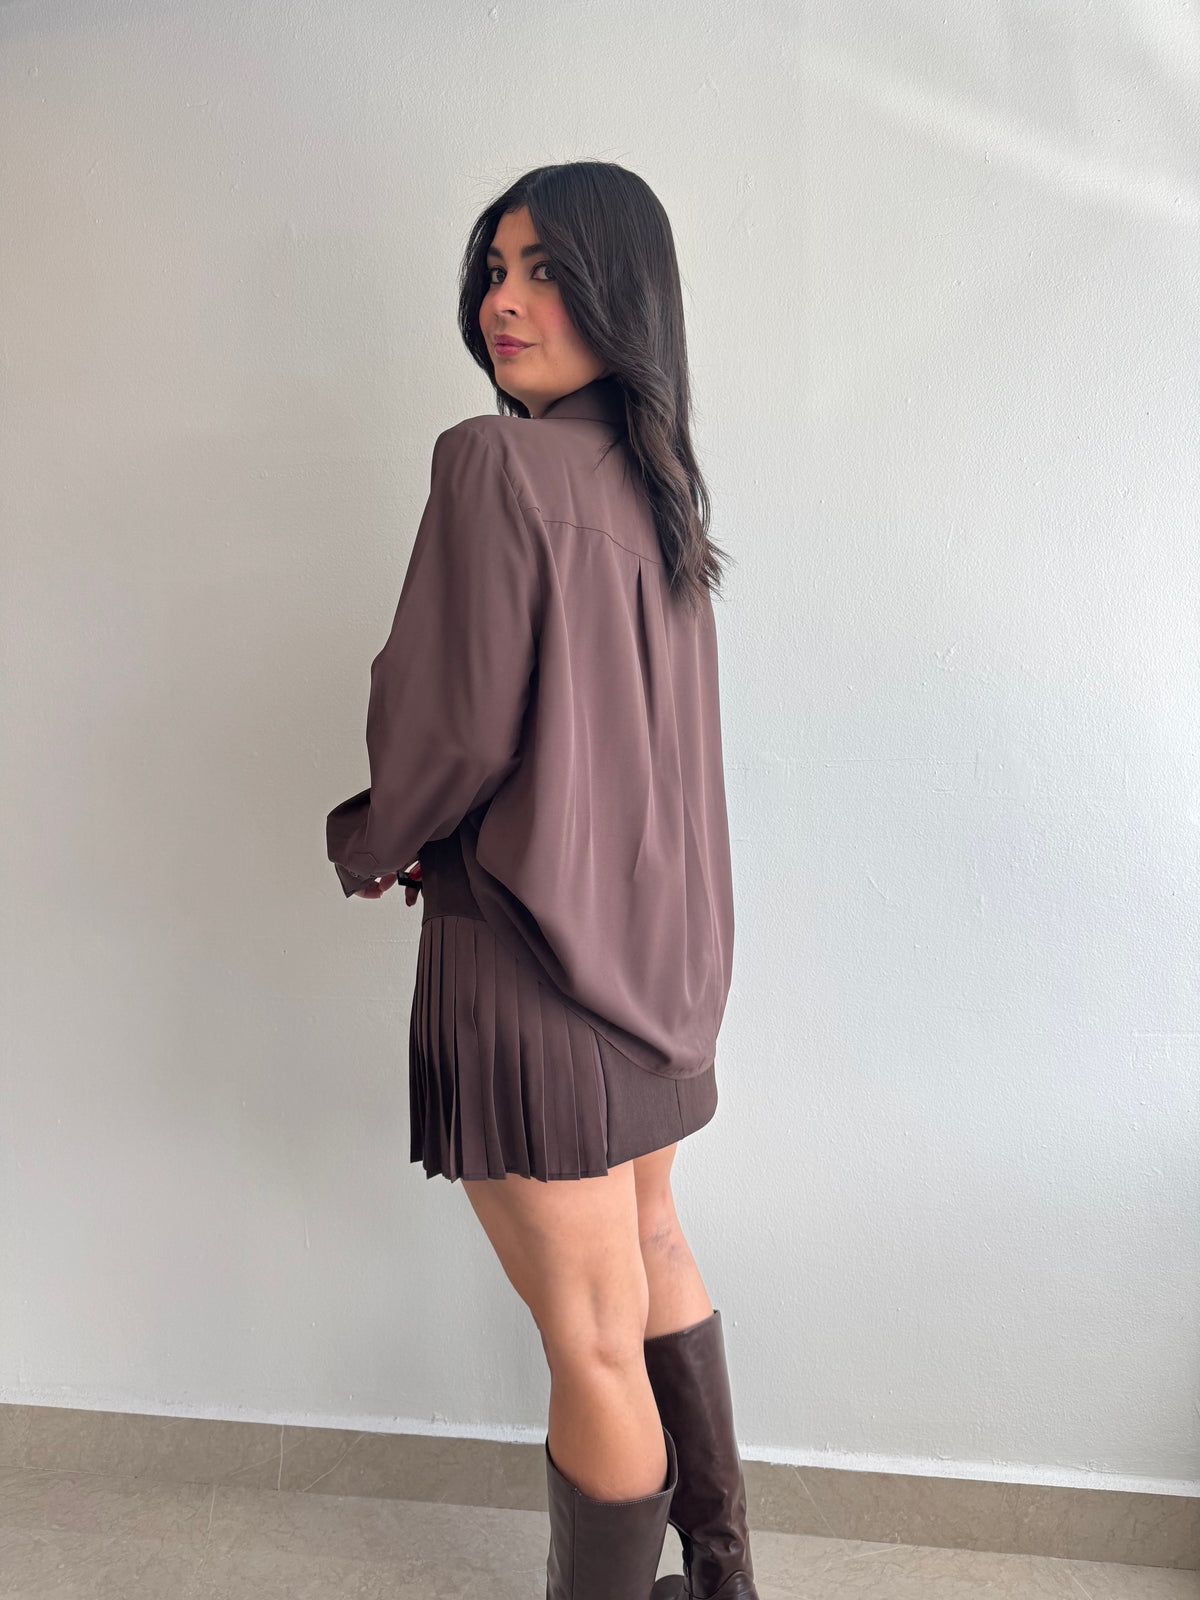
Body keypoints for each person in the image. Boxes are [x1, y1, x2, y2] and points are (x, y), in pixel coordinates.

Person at [326, 160, 757, 1600]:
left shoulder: (492, 466)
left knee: (589, 1337)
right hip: (664, 972)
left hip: (530, 964)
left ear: (622, 295)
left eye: (546, 271)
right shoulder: (666, 495)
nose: (504, 303)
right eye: (495, 271)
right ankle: (724, 1581)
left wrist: (372, 838)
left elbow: (448, 732)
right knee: (652, 1246)